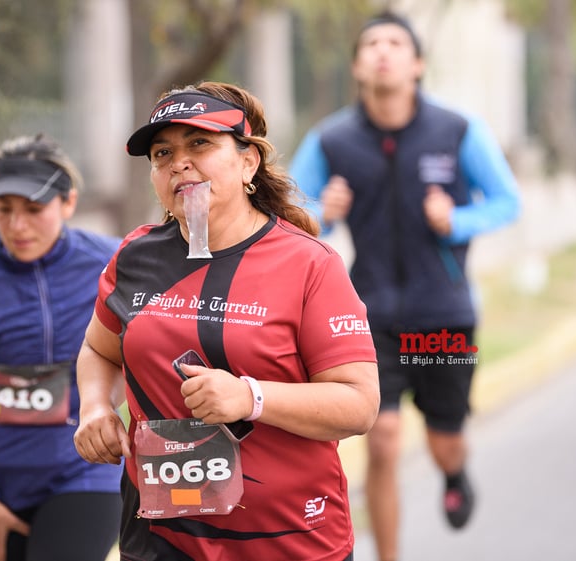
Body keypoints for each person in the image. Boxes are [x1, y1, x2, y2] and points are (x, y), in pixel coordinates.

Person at [72, 81, 380, 561]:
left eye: (200, 143)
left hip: (288, 541)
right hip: (161, 539)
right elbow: (98, 349)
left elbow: (359, 404)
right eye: (161, 153)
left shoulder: (309, 264)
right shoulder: (134, 256)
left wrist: (250, 397)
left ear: (247, 162)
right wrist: (94, 407)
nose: (178, 162)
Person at [289, 11, 521, 561]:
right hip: (369, 320)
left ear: (417, 63)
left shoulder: (456, 130)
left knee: (445, 441)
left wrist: (457, 221)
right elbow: (288, 211)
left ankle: (455, 471)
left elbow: (508, 201)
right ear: (357, 66)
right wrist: (324, 212)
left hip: (442, 316)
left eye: (395, 42)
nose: (383, 52)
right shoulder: (332, 139)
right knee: (384, 443)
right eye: (371, 43)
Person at [0, 133, 123, 561]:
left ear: (68, 203)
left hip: (87, 471)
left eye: (34, 210)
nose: (17, 225)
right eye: (4, 211)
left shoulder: (113, 265)